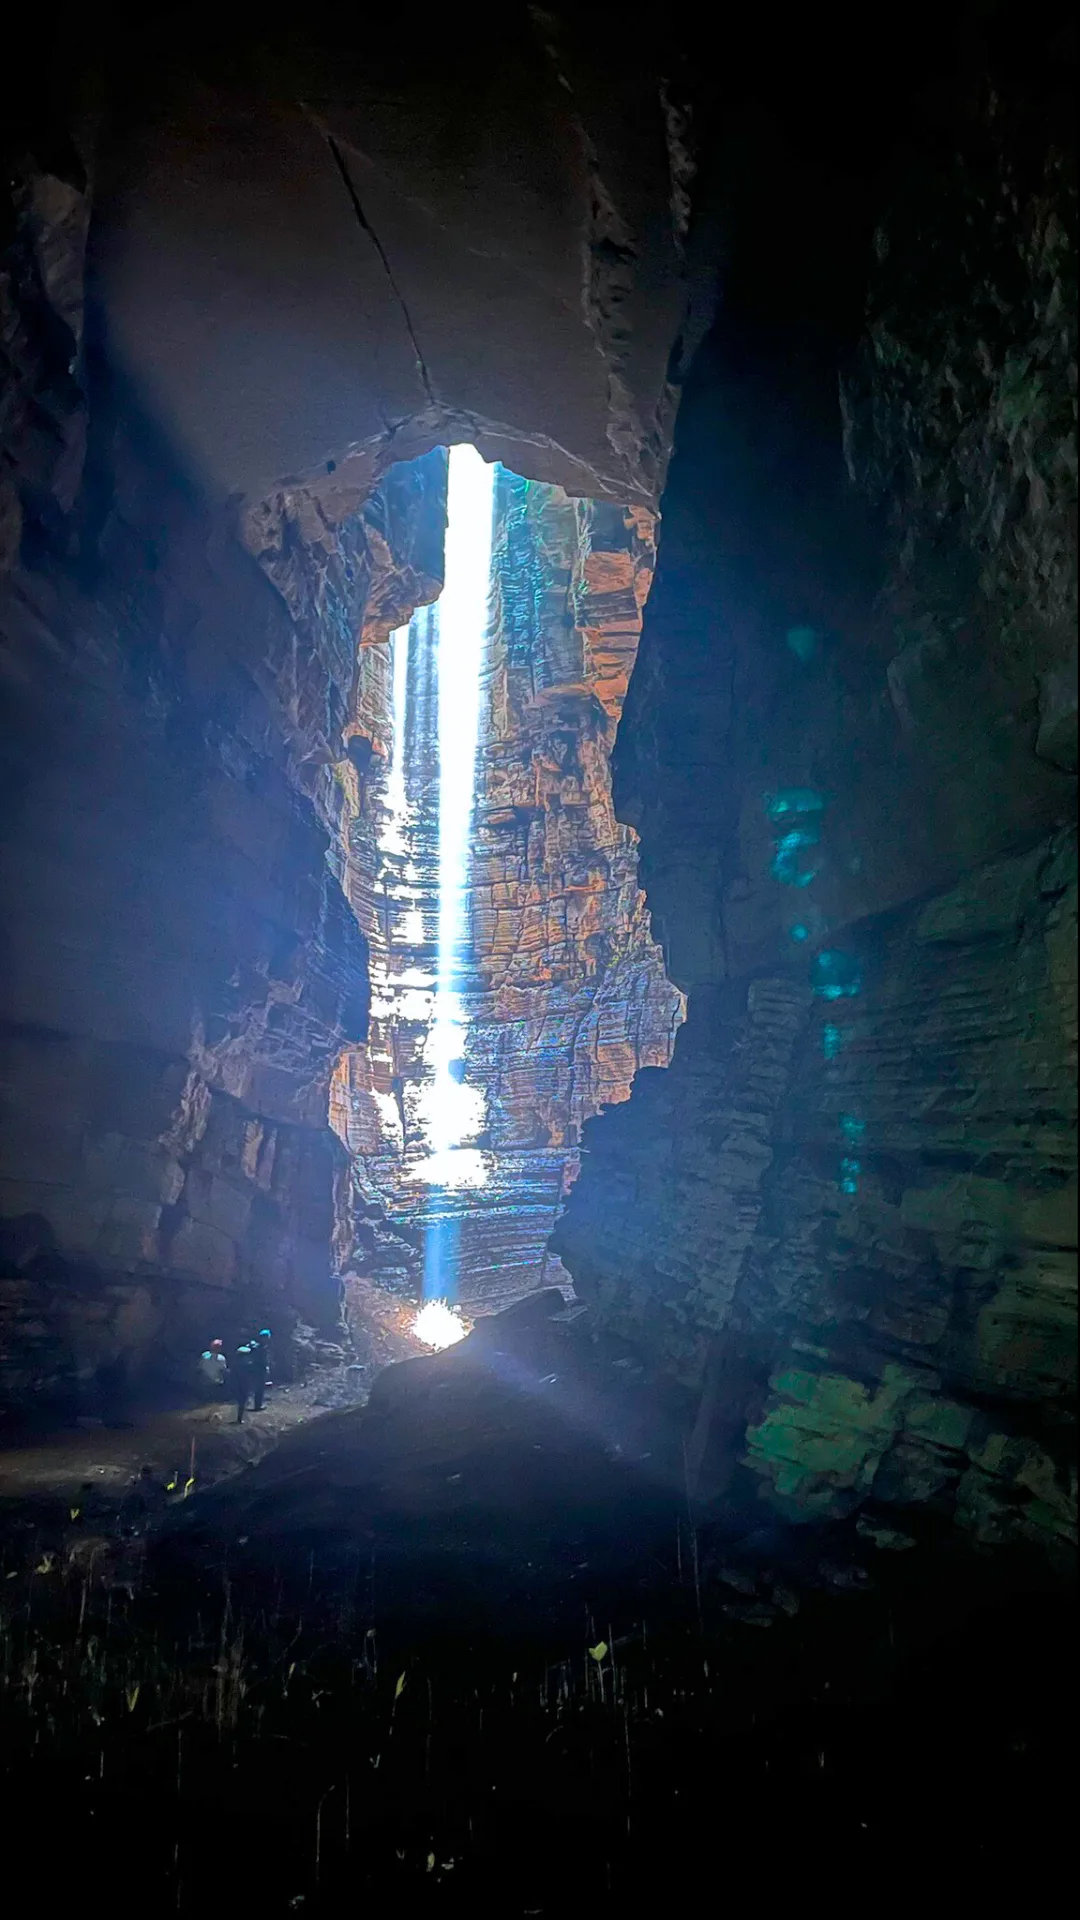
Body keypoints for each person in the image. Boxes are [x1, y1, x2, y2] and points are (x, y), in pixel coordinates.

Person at [247, 1332, 269, 1412]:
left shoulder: (255, 1346)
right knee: (260, 1388)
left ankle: (257, 1404)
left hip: (255, 1369)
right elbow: (263, 1360)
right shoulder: (261, 1348)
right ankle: (258, 1405)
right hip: (260, 1369)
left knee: (258, 1387)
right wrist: (266, 1367)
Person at [232, 1342, 253, 1424]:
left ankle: (239, 1417)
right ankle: (239, 1418)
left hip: (238, 1385)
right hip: (243, 1385)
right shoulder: (246, 1365)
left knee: (241, 1402)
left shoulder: (236, 1364)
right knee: (242, 1402)